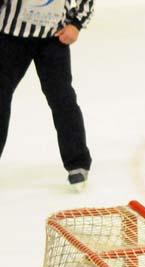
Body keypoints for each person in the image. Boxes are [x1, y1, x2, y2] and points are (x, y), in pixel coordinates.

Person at [0, 0, 93, 188]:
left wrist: (76, 24)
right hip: (10, 38)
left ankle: (77, 163)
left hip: (53, 39)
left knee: (62, 98)